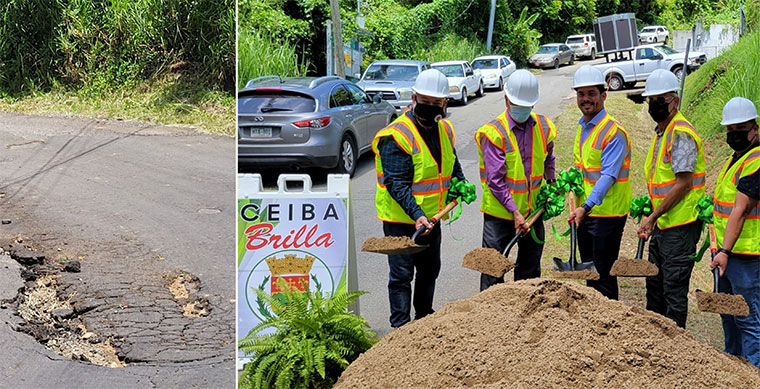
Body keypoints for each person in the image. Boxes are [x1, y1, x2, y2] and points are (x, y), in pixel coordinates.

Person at [371, 69, 467, 328]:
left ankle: (424, 319)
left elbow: (452, 162)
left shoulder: (444, 128)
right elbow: (396, 183)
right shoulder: (396, 136)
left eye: (437, 103)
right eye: (425, 102)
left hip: (432, 218)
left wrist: (460, 183)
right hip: (402, 220)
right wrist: (417, 215)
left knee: (430, 270)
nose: (431, 107)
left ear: (445, 103)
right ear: (414, 99)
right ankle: (400, 328)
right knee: (402, 275)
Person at [475, 69, 556, 290]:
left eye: (526, 105)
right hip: (500, 214)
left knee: (530, 271)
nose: (521, 109)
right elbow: (495, 180)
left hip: (533, 212)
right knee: (493, 270)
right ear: (506, 100)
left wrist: (552, 183)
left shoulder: (544, 126)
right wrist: (514, 211)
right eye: (517, 104)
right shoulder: (493, 133)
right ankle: (492, 319)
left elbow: (549, 157)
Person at [637, 69, 706, 328]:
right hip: (665, 223)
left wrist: (654, 215)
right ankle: (656, 341)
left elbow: (684, 184)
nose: (654, 105)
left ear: (674, 101)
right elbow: (659, 181)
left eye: (660, 100)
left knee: (673, 290)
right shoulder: (662, 132)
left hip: (680, 225)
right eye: (651, 101)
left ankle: (675, 348)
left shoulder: (680, 134)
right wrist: (651, 212)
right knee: (654, 285)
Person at [571, 65, 632, 300]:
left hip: (607, 215)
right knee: (590, 273)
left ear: (603, 95)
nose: (586, 99)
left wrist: (585, 207)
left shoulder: (613, 132)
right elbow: (584, 168)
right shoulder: (582, 127)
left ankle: (609, 327)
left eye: (591, 93)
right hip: (587, 212)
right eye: (581, 94)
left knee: (604, 275)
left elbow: (608, 176)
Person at [709, 96, 760, 368]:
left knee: (748, 319)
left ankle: (753, 372)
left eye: (741, 129)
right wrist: (720, 249)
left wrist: (725, 251)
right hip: (728, 253)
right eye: (730, 130)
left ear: (755, 128)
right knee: (728, 314)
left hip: (747, 256)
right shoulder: (737, 158)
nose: (734, 134)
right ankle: (732, 366)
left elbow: (740, 210)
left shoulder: (756, 161)